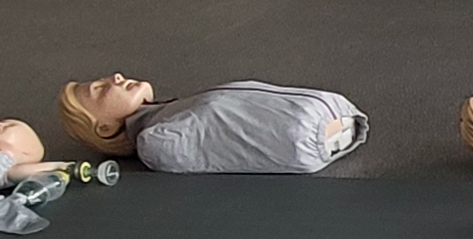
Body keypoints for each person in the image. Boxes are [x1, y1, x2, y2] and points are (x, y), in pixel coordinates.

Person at [56, 74, 368, 174]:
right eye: (100, 89)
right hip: (305, 129)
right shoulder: (156, 139)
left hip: (322, 114)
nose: (115, 77)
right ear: (104, 128)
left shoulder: (167, 113)